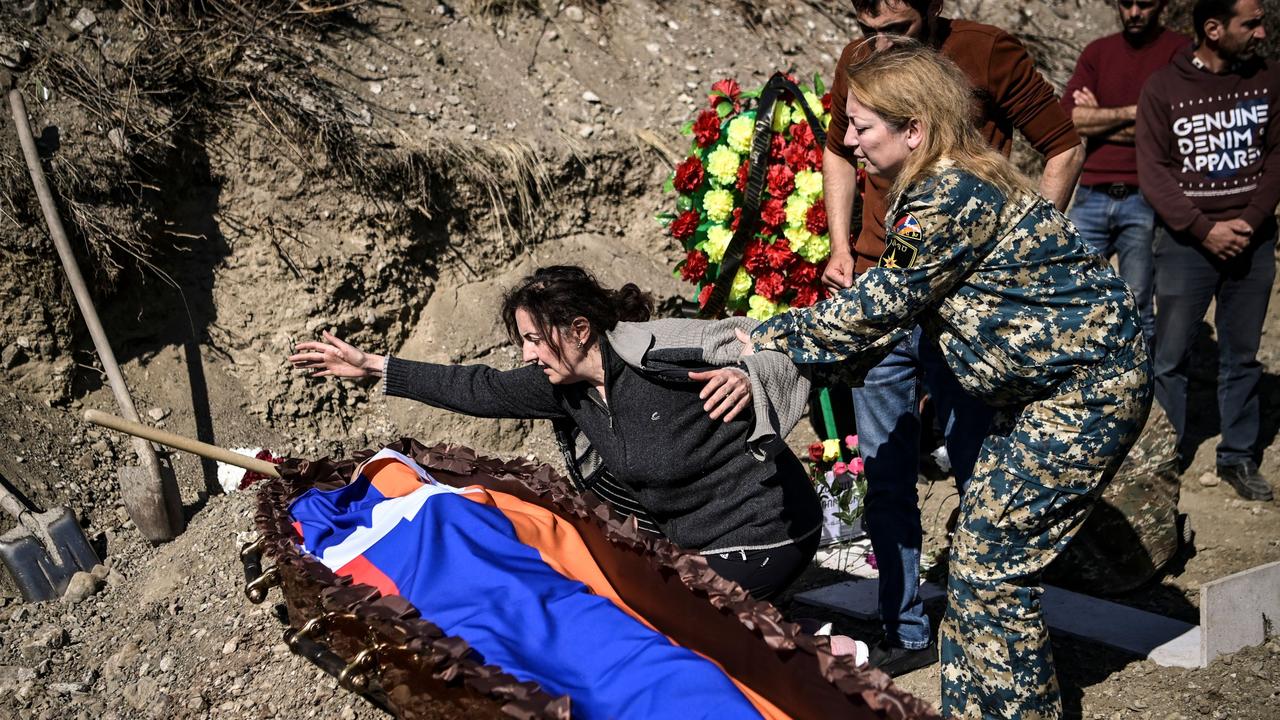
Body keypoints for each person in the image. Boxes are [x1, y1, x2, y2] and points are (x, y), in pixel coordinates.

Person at [745, 41, 1151, 718]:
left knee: (993, 570)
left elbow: (877, 307)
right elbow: (886, 317)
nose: (847, 141)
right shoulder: (943, 182)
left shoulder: (949, 197)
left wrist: (763, 336)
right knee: (978, 568)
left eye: (861, 126)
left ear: (915, 130)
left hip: (1083, 394)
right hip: (1046, 392)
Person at [289, 266, 825, 601]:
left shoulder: (659, 353)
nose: (526, 354)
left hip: (769, 533)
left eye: (533, 339)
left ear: (579, 331)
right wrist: (375, 367)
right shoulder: (562, 386)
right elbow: (481, 388)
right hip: (692, 540)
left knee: (662, 615)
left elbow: (779, 340)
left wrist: (748, 376)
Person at [820, 0, 1085, 677]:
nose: (877, 42)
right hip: (884, 286)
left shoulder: (987, 51)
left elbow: (1062, 145)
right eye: (866, 26)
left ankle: (986, 620)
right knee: (883, 465)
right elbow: (837, 148)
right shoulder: (859, 58)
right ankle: (902, 625)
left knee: (978, 464)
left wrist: (1013, 250)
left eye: (898, 30)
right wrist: (842, 242)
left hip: (963, 300)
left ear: (935, 8)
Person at [1136, 0, 1278, 501]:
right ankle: (1166, 457)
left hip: (1253, 241)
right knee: (1170, 357)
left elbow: (1277, 155)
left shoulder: (1268, 79)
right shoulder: (1163, 88)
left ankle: (1237, 456)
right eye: (1251, 23)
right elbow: (1152, 171)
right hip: (1183, 246)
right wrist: (1202, 228)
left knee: (1241, 355)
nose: (1261, 32)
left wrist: (1251, 220)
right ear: (1213, 29)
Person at [1062, 0, 1190, 348]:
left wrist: (1100, 120)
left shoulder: (1179, 51)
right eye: (1126, 4)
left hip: (1145, 197)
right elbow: (1070, 120)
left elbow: (1176, 129)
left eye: (1144, 4)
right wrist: (1139, 111)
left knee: (1137, 304)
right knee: (1072, 296)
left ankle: (1141, 391)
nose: (1134, 12)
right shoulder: (1098, 51)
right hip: (1090, 194)